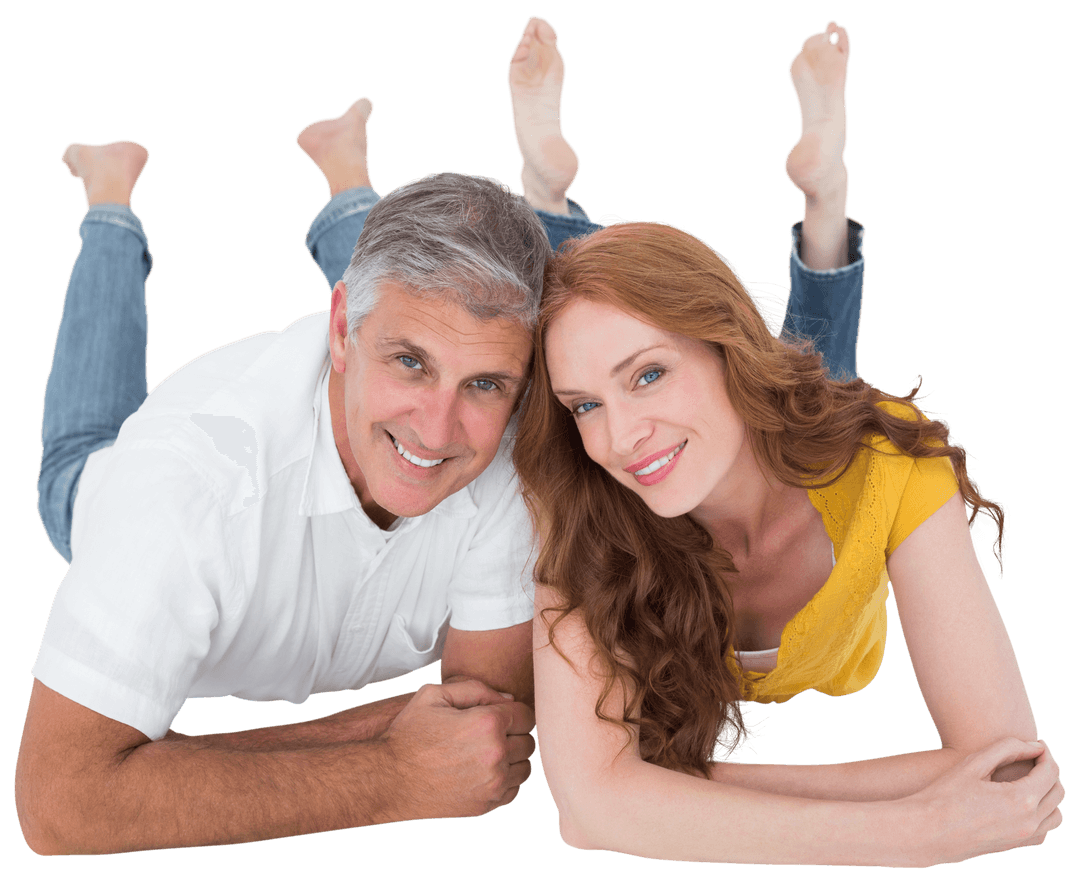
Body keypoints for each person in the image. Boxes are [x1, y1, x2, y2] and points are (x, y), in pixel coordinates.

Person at [14, 17, 863, 854]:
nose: (440, 425)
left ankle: (357, 170)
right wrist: (391, 772)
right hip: (118, 479)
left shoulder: (518, 456)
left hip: (417, 327)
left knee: (461, 309)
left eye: (490, 386)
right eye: (408, 365)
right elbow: (59, 804)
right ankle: (108, 202)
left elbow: (485, 716)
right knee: (75, 461)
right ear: (337, 329)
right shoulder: (180, 489)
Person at [512, 21, 1065, 867]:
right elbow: (587, 814)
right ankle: (546, 202)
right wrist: (909, 830)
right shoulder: (583, 508)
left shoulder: (888, 473)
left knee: (819, 384)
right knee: (528, 330)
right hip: (769, 425)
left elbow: (1010, 773)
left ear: (727, 351)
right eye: (584, 406)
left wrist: (664, 792)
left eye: (651, 376)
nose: (618, 438)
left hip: (800, 428)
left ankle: (819, 198)